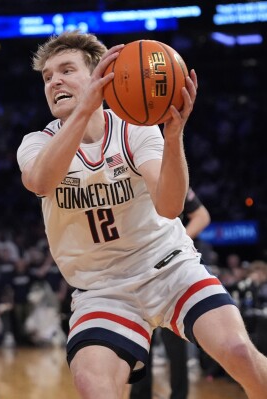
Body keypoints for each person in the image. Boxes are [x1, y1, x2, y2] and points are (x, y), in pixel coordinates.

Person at [16, 30, 267, 399]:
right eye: (47, 77)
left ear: (99, 75)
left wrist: (174, 134)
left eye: (66, 70)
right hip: (101, 290)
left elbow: (170, 206)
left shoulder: (134, 130)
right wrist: (85, 107)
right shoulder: (35, 142)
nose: (54, 82)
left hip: (168, 268)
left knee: (239, 351)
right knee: (93, 385)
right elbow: (40, 181)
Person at [130, 187, 211, 399]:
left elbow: (202, 216)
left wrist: (175, 242)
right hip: (137, 271)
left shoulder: (171, 177)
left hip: (170, 271)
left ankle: (179, 395)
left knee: (176, 347)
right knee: (139, 345)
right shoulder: (126, 176)